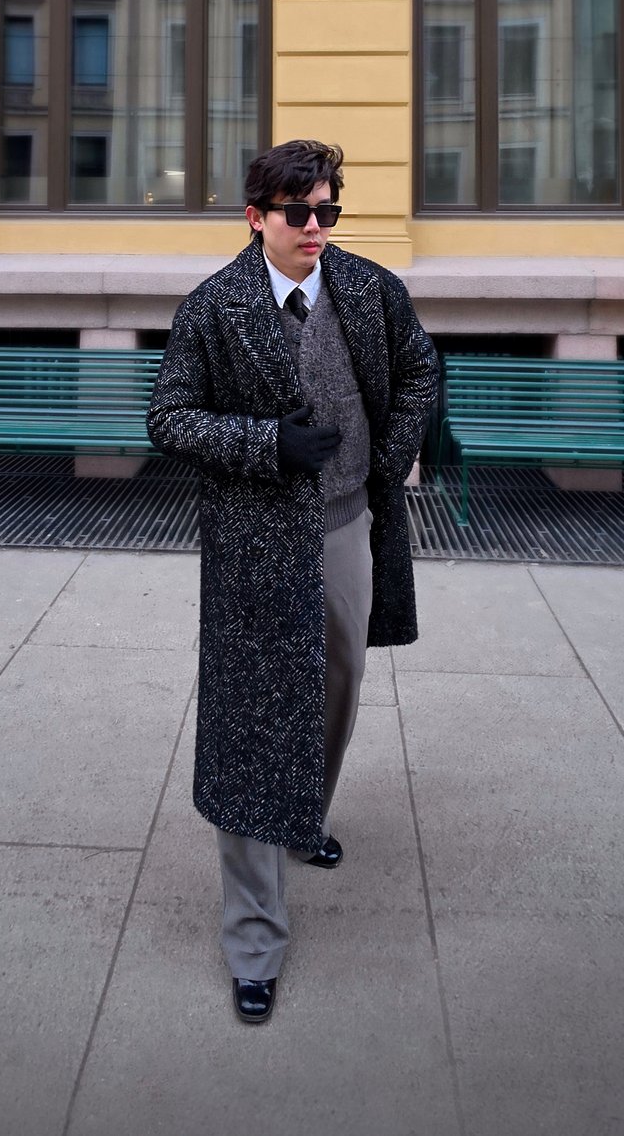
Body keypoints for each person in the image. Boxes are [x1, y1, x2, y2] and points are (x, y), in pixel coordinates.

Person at [147, 139, 439, 1023]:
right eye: (299, 214)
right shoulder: (214, 308)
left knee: (335, 697)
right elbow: (168, 417)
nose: (316, 229)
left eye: (328, 212)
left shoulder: (371, 289)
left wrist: (383, 460)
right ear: (256, 217)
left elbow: (423, 371)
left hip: (348, 528)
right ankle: (254, 942)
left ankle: (301, 816)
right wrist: (267, 445)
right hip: (253, 548)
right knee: (251, 732)